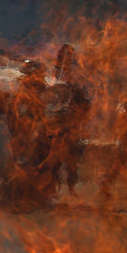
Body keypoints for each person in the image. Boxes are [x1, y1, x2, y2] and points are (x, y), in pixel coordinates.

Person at [0, 59, 54, 210]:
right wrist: (27, 133)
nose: (42, 77)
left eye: (42, 74)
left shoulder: (41, 92)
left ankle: (35, 197)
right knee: (22, 167)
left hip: (37, 137)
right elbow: (17, 116)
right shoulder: (23, 94)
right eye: (39, 74)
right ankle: (17, 200)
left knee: (37, 167)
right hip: (25, 137)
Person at [45, 44, 91, 196]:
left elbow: (85, 105)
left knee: (71, 161)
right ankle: (53, 188)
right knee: (55, 160)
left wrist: (80, 122)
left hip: (70, 127)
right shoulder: (55, 77)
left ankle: (70, 188)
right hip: (57, 126)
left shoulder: (76, 80)